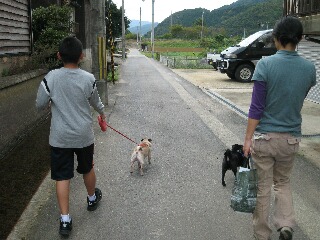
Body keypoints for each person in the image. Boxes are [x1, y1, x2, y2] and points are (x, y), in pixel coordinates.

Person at [243, 16, 316, 240]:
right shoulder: (309, 68)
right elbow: (298, 98)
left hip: (265, 139)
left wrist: (247, 139)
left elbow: (256, 109)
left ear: (275, 39)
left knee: (263, 187)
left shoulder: (265, 65)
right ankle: (285, 225)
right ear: (301, 39)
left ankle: (262, 234)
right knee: (282, 182)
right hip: (291, 139)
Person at [36, 36, 106, 237]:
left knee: (62, 176)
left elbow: (40, 104)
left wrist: (51, 102)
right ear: (81, 56)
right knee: (87, 168)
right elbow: (96, 102)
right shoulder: (88, 78)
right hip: (83, 136)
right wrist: (102, 114)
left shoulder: (51, 78)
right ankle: (92, 199)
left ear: (59, 56)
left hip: (60, 138)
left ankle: (65, 220)